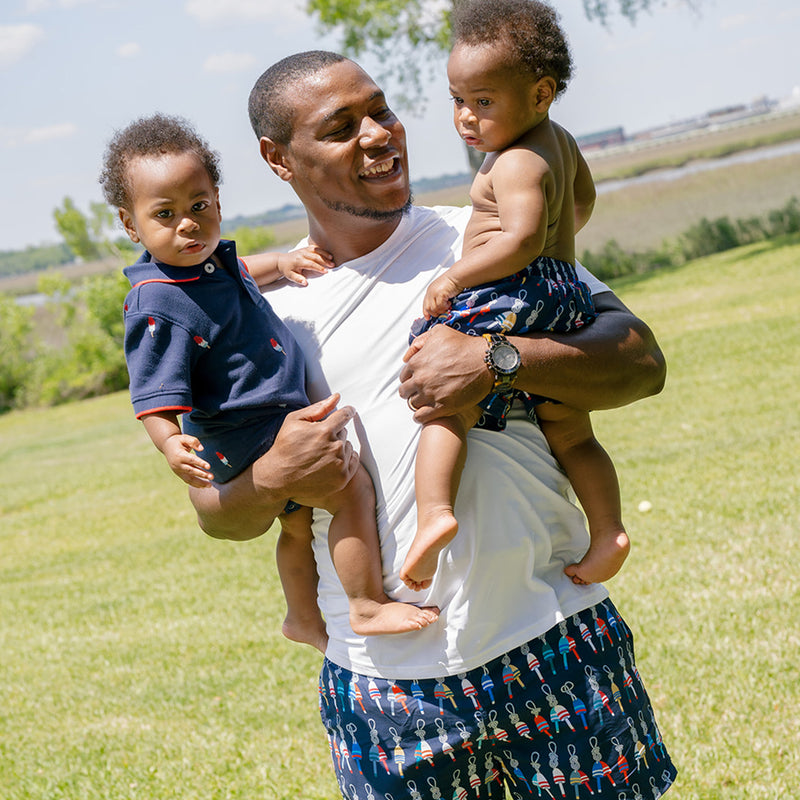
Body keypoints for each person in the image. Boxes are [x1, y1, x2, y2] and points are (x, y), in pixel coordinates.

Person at [190, 46, 677, 799]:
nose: (379, 134)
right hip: (386, 690)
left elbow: (641, 361)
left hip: (555, 638)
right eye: (341, 126)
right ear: (278, 159)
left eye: (381, 111)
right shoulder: (261, 318)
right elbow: (216, 513)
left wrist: (497, 358)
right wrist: (273, 478)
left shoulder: (485, 238)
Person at [99, 114, 439, 653]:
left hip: (260, 422)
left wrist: (282, 262)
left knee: (298, 525)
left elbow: (237, 273)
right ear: (129, 223)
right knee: (351, 492)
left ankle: (302, 617)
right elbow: (153, 390)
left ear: (216, 198)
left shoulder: (202, 265)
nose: (188, 224)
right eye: (164, 214)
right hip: (248, 429)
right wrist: (169, 444)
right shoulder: (156, 302)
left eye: (199, 206)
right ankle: (367, 604)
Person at [400, 0, 629, 594]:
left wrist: (456, 277)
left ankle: (435, 514)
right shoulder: (560, 142)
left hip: (507, 291)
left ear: (540, 93)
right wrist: (561, 250)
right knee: (572, 429)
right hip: (562, 288)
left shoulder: (514, 161)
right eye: (458, 100)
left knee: (447, 401)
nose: (465, 118)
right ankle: (608, 531)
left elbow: (521, 238)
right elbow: (579, 205)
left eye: (483, 101)